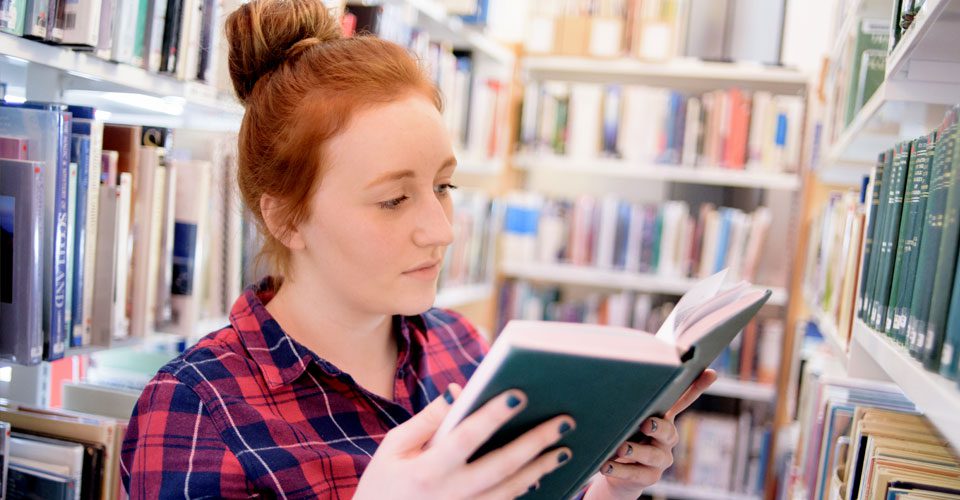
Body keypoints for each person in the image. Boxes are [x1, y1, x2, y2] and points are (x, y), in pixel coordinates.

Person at [119, 0, 718, 498]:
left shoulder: (463, 348)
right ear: (286, 216)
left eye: (443, 187)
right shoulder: (197, 408)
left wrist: (610, 487)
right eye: (392, 200)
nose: (442, 229)